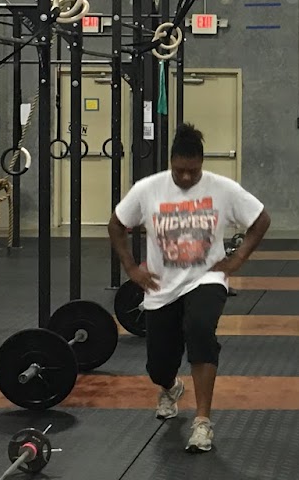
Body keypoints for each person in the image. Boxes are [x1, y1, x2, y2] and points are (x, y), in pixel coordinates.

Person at [108, 124, 271, 452]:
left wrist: (237, 259)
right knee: (158, 367)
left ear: (201, 164)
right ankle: (170, 387)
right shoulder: (148, 189)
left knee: (200, 331)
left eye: (192, 172)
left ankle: (202, 421)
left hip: (206, 278)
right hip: (161, 286)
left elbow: (261, 219)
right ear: (171, 163)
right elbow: (116, 225)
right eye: (179, 171)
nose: (185, 177)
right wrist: (131, 268)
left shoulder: (222, 188)